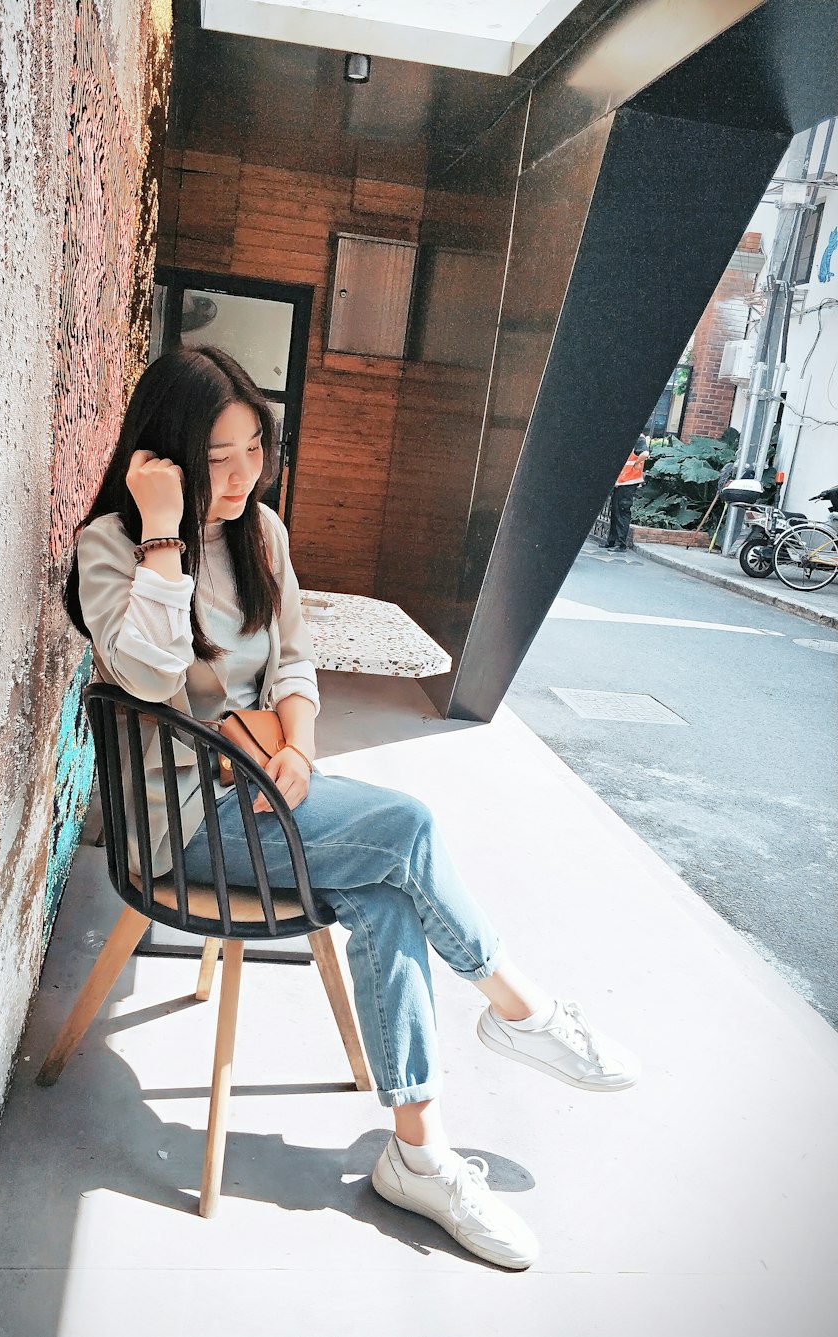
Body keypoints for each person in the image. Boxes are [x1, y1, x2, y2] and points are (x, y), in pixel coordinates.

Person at [66, 345, 639, 1271]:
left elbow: (294, 658)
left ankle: (418, 1148)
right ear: (164, 453)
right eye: (215, 455)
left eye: (254, 446)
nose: (244, 473)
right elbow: (147, 672)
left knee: (383, 894)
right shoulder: (111, 544)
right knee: (407, 831)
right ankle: (517, 1008)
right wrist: (164, 535)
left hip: (267, 791)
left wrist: (297, 748)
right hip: (184, 820)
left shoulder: (263, 532)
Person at [606, 435, 650, 550]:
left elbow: (645, 454)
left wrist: (637, 463)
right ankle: (612, 541)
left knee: (622, 513)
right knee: (616, 513)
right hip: (622, 483)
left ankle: (620, 544)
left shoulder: (639, 439)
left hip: (628, 483)